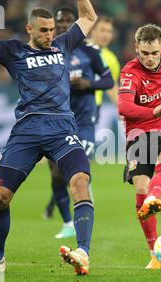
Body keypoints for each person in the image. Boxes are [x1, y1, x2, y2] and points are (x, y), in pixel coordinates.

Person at [0, 0, 98, 276]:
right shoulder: (13, 50)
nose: (50, 34)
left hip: (62, 128)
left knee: (79, 181)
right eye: (43, 30)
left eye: (52, 29)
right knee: (0, 198)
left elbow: (89, 16)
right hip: (27, 129)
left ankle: (83, 252)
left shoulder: (63, 44)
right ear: (29, 28)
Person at [42, 7, 114, 240]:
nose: (64, 26)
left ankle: (83, 220)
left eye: (68, 22)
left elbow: (108, 80)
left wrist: (87, 83)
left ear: (78, 22)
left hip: (83, 122)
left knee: (80, 173)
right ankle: (67, 223)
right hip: (57, 121)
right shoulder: (48, 51)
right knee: (55, 174)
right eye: (60, 22)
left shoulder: (89, 51)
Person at [118, 24, 161, 269]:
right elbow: (123, 107)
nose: (149, 58)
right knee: (141, 185)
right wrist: (152, 110)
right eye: (144, 53)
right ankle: (155, 253)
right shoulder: (130, 73)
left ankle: (154, 198)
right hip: (139, 133)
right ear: (136, 48)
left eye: (154, 53)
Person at [90, 16, 120, 111]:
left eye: (109, 31)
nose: (106, 35)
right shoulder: (77, 49)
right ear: (92, 30)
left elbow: (112, 87)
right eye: (102, 30)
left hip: (93, 107)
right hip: (70, 104)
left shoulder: (112, 59)